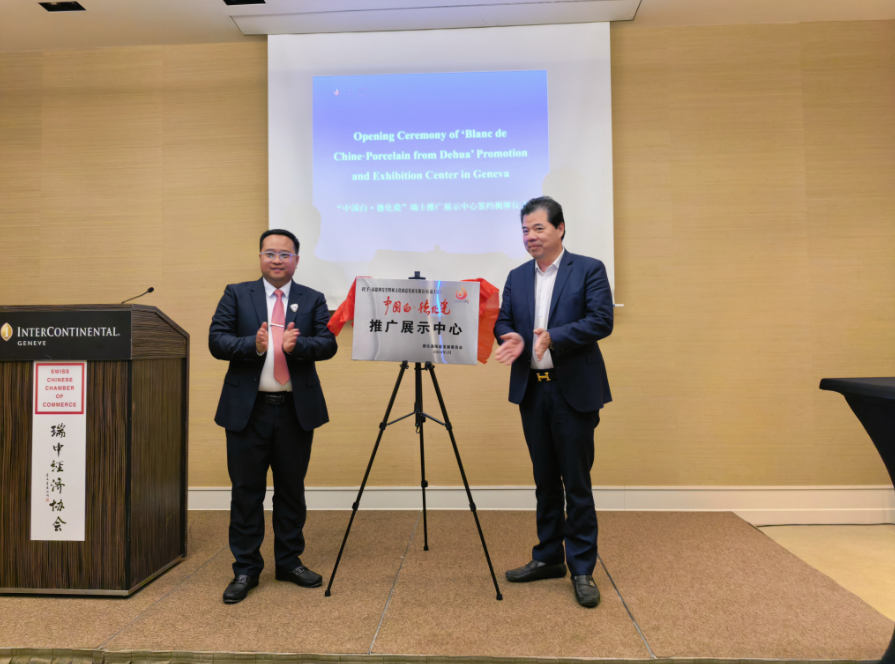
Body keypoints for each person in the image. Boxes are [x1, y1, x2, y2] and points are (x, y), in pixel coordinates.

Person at [494, 196, 613, 608]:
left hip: (572, 390)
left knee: (576, 483)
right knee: (545, 479)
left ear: (560, 228)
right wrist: (509, 336)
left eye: (538, 228)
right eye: (525, 230)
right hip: (533, 389)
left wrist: (554, 337)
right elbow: (504, 320)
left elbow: (601, 320)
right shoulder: (516, 276)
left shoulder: (589, 269)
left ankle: (581, 568)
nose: (530, 236)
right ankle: (548, 557)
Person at [209, 229, 338, 604]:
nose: (277, 260)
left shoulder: (312, 298)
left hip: (295, 411)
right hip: (247, 412)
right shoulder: (237, 294)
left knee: (291, 491)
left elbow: (328, 343)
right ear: (260, 257)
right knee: (246, 493)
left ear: (296, 259)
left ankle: (289, 562)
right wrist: (252, 344)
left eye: (285, 254)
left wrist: (299, 346)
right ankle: (246, 569)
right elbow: (217, 340)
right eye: (270, 253)